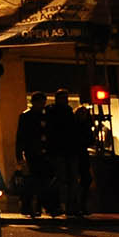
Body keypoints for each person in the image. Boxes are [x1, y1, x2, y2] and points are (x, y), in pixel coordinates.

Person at [47, 89, 87, 217]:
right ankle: (65, 205)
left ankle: (68, 205)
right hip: (62, 150)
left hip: (66, 150)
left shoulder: (65, 112)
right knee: (64, 179)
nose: (66, 100)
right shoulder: (57, 112)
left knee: (68, 179)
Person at [15, 92, 55, 217]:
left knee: (40, 180)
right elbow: (21, 136)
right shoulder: (28, 116)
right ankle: (33, 206)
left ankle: (37, 206)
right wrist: (20, 154)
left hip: (40, 151)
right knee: (34, 180)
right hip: (33, 151)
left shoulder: (40, 116)